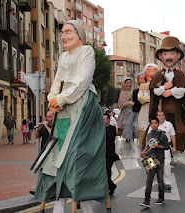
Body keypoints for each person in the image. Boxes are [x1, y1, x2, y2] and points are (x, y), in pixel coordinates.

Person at [33, 20, 108, 213]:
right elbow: (57, 79)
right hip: (64, 108)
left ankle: (85, 203)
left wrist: (62, 98)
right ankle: (60, 201)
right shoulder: (64, 56)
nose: (64, 36)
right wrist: (52, 98)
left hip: (82, 106)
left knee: (77, 154)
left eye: (68, 32)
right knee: (60, 152)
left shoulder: (87, 51)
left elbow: (83, 81)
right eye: (63, 32)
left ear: (80, 35)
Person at [149, 36, 185, 153]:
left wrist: (171, 91)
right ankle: (161, 148)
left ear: (178, 56)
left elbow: (183, 91)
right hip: (161, 110)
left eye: (172, 53)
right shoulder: (157, 75)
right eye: (165, 54)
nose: (169, 57)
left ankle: (173, 148)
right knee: (160, 130)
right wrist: (164, 87)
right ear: (160, 56)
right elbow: (154, 90)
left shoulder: (180, 74)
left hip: (177, 111)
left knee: (177, 131)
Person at [140, 117, 169, 208]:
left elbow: (167, 147)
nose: (154, 125)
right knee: (149, 181)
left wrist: (159, 146)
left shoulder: (162, 135)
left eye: (155, 123)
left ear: (158, 124)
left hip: (160, 159)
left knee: (160, 180)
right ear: (150, 125)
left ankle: (161, 197)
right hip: (150, 159)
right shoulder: (148, 135)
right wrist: (144, 152)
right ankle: (146, 200)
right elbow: (147, 145)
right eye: (152, 123)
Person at [147, 111, 176, 191]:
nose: (161, 117)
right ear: (157, 116)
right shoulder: (153, 125)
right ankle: (151, 183)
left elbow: (173, 135)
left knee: (166, 164)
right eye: (159, 115)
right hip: (153, 150)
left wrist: (174, 146)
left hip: (164, 148)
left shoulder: (169, 124)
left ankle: (167, 182)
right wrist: (146, 150)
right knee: (152, 167)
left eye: (162, 115)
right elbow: (148, 138)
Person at [138, 64, 158, 148]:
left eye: (154, 71)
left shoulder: (160, 86)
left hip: (157, 110)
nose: (151, 74)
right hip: (145, 110)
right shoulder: (143, 86)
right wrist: (153, 98)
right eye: (149, 71)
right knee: (144, 128)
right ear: (145, 74)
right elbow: (140, 98)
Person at [122, 72, 145, 142]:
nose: (143, 80)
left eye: (144, 78)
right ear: (138, 80)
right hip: (136, 111)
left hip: (142, 111)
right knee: (133, 125)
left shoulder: (146, 90)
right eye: (141, 78)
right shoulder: (135, 91)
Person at [103, 113, 119, 195]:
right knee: (104, 173)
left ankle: (111, 187)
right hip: (102, 155)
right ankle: (111, 186)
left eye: (105, 119)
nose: (103, 120)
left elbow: (109, 138)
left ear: (108, 120)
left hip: (110, 155)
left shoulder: (112, 129)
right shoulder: (100, 129)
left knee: (107, 172)